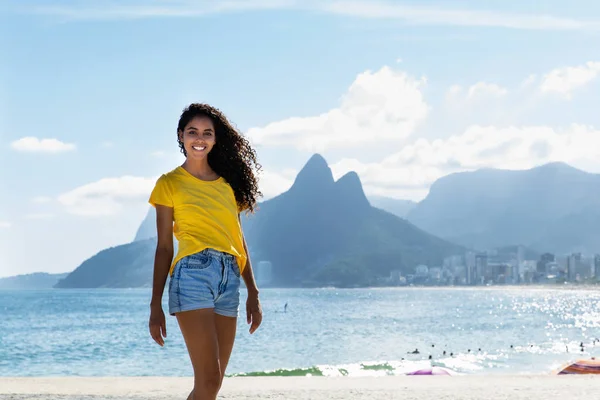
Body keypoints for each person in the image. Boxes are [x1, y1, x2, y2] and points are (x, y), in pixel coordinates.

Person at [147, 103, 263, 400]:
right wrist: (155, 304)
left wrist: (253, 291)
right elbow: (163, 247)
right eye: (192, 131)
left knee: (212, 384)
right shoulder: (169, 183)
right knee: (209, 381)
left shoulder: (228, 185)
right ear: (181, 136)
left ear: (215, 139)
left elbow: (238, 239)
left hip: (230, 279)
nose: (200, 138)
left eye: (207, 133)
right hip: (192, 276)